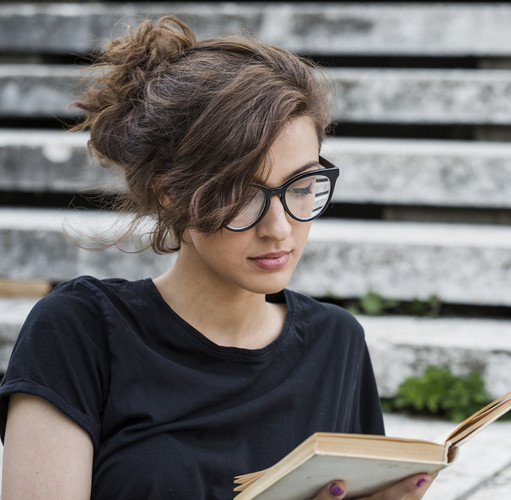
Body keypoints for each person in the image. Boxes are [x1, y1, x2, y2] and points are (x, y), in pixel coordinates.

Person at [0, 16, 434, 500]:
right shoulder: (79, 330)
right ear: (171, 194)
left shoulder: (337, 342)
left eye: (303, 186)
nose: (280, 228)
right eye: (244, 195)